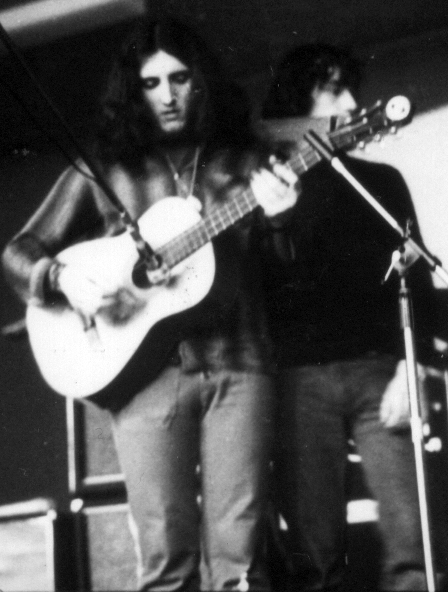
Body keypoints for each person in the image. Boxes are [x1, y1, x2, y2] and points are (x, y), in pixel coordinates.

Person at [2, 17, 299, 592]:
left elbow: (287, 272)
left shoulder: (246, 163)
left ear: (202, 82)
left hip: (240, 364)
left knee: (241, 562)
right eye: (151, 83)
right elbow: (19, 252)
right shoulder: (106, 169)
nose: (168, 95)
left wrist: (282, 217)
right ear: (132, 92)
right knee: (165, 564)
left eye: (180, 78)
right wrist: (61, 276)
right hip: (145, 378)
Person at [259, 44, 444, 591]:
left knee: (414, 543)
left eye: (350, 91)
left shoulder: (382, 181)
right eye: (334, 91)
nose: (350, 104)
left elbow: (417, 282)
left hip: (379, 371)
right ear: (299, 104)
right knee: (316, 556)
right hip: (297, 382)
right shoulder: (265, 188)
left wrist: (413, 367)